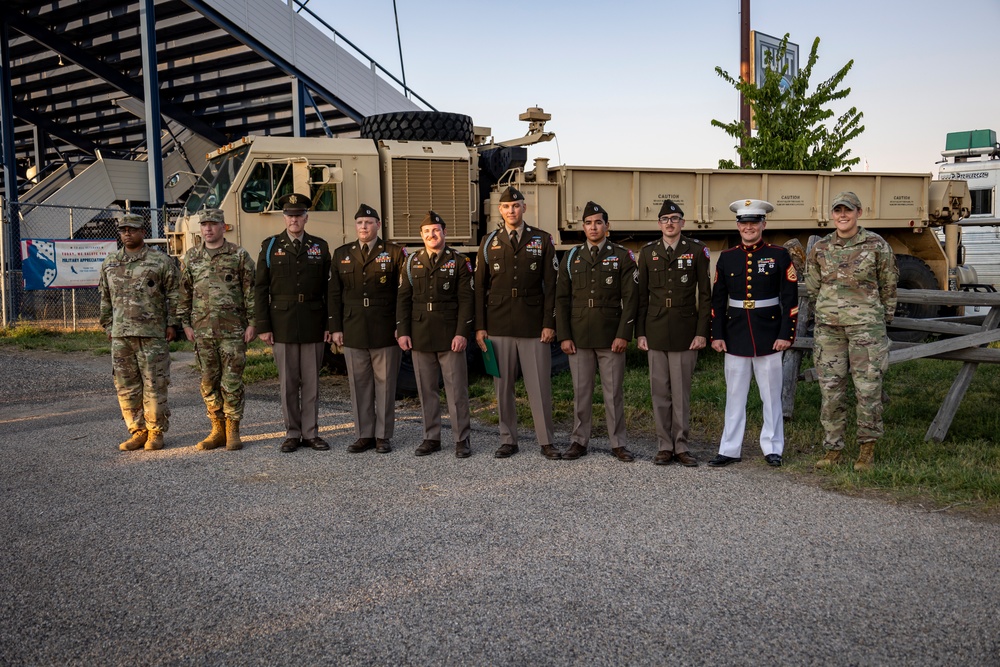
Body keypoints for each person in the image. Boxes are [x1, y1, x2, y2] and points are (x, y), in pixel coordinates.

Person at [807, 191, 898, 471]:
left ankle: (866, 450)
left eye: (848, 210)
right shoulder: (821, 248)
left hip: (866, 330)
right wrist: (825, 313)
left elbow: (889, 283)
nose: (842, 215)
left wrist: (882, 318)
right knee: (831, 391)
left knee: (867, 390)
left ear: (859, 212)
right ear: (832, 215)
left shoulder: (875, 245)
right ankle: (833, 448)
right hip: (829, 331)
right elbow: (813, 287)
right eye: (837, 211)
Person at [708, 199, 798, 467]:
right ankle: (729, 448)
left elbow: (790, 298)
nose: (749, 227)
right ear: (737, 226)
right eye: (744, 223)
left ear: (763, 224)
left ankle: (773, 448)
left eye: (754, 222)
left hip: (769, 335)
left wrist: (786, 334)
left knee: (771, 396)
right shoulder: (727, 257)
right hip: (735, 334)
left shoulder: (779, 255)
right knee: (734, 395)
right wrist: (717, 334)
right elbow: (717, 300)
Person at [474, 186, 561, 460]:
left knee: (539, 387)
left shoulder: (542, 239)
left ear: (524, 207)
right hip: (498, 324)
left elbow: (552, 285)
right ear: (500, 210)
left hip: (533, 324)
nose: (511, 210)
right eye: (506, 207)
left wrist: (549, 323)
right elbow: (479, 288)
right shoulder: (489, 242)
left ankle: (546, 441)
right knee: (503, 388)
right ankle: (508, 440)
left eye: (516, 205)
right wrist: (480, 326)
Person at [556, 201, 638, 462]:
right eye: (589, 223)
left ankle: (618, 443)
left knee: (613, 393)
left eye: (598, 222)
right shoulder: (571, 256)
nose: (594, 227)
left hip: (610, 334)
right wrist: (564, 335)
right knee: (581, 392)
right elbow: (561, 299)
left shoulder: (622, 256)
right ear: (583, 227)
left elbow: (631, 298)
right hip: (579, 336)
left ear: (607, 226)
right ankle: (579, 441)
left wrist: (624, 334)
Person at [636, 199, 711, 466]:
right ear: (659, 224)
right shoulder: (647, 253)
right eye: (665, 219)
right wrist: (640, 333)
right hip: (655, 329)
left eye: (674, 218)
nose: (670, 223)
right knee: (660, 392)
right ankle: (663, 445)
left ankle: (681, 445)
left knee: (681, 393)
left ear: (683, 222)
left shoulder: (696, 250)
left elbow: (705, 295)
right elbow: (640, 297)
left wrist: (702, 332)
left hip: (684, 329)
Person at [255, 193, 331, 454]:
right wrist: (263, 325)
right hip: (282, 322)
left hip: (313, 320)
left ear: (306, 218)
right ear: (284, 218)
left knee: (311, 381)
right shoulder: (270, 246)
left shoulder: (319, 247)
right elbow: (260, 288)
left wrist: (330, 324)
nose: (294, 219)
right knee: (288, 382)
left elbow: (328, 289)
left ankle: (310, 433)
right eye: (289, 215)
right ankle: (291, 433)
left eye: (299, 215)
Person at [328, 203, 407, 454]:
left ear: (378, 225)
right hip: (353, 327)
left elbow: (403, 294)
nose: (364, 226)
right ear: (356, 226)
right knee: (359, 384)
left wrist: (400, 327)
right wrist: (335, 327)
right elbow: (334, 294)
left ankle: (383, 435)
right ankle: (364, 434)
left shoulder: (394, 253)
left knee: (385, 384)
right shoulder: (342, 253)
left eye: (369, 222)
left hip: (384, 327)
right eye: (360, 222)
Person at [99, 213, 180, 452]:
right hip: (121, 335)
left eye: (132, 229)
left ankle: (155, 432)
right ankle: (137, 431)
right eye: (123, 229)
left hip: (152, 334)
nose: (127, 233)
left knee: (154, 383)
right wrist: (107, 326)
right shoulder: (110, 262)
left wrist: (172, 324)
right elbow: (105, 297)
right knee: (126, 385)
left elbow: (175, 295)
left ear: (142, 232)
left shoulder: (160, 261)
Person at [396, 211, 474, 458]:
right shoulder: (411, 262)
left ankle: (462, 439)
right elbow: (403, 299)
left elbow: (466, 300)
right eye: (427, 231)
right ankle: (431, 437)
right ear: (421, 235)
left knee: (456, 390)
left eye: (436, 230)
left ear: (444, 233)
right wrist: (403, 331)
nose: (432, 234)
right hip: (420, 334)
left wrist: (462, 333)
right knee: (426, 389)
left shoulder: (459, 262)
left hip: (450, 334)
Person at [178, 208, 256, 451]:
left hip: (233, 330)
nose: (208, 229)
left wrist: (253, 323)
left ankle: (233, 429)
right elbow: (184, 293)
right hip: (202, 331)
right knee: (208, 381)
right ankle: (217, 429)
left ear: (224, 226)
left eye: (213, 224)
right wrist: (185, 324)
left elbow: (251, 291)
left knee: (232, 380)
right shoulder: (191, 257)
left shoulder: (238, 255)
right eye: (204, 225)